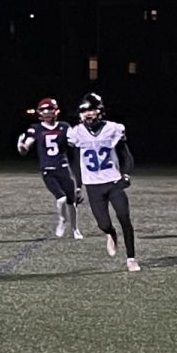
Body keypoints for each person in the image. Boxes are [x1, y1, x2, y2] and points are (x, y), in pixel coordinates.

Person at [67, 93, 140, 271]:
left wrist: (126, 174)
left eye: (91, 109)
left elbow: (126, 156)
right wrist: (78, 185)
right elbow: (76, 161)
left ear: (100, 111)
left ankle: (131, 258)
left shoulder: (113, 129)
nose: (88, 114)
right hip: (93, 186)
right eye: (84, 111)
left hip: (113, 181)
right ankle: (111, 234)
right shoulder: (77, 132)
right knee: (103, 224)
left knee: (124, 217)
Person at [17, 97, 82, 239]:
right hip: (47, 168)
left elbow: (74, 142)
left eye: (50, 109)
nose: (47, 113)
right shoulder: (36, 128)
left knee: (72, 201)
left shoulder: (64, 126)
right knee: (61, 198)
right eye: (44, 110)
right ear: (39, 112)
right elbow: (26, 147)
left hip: (63, 167)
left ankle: (75, 228)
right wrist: (21, 146)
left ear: (56, 111)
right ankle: (62, 220)